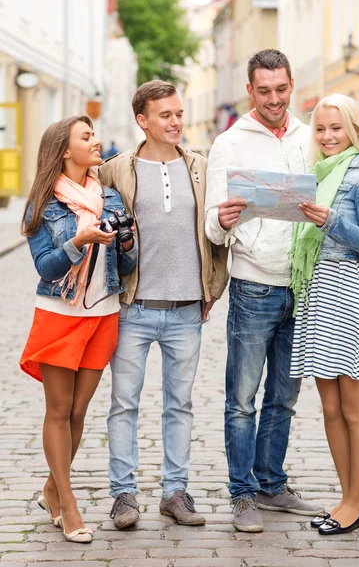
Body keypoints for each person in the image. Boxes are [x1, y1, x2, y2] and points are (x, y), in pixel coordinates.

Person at [98, 80, 228, 530]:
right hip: (133, 308)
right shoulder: (115, 170)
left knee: (180, 404)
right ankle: (123, 495)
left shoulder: (201, 168)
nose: (176, 122)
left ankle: (175, 491)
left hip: (187, 309)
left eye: (178, 113)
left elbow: (216, 230)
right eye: (166, 115)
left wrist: (212, 286)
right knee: (123, 404)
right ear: (143, 120)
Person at [205, 49, 324, 533]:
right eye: (264, 90)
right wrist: (224, 220)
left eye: (281, 89)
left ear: (291, 85)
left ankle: (272, 483)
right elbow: (212, 226)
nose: (274, 99)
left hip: (303, 283)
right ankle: (242, 493)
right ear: (249, 91)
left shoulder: (308, 137)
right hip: (254, 285)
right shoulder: (229, 144)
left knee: (285, 396)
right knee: (242, 398)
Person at [19, 116, 138, 543]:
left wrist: (126, 245)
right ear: (65, 151)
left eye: (94, 135)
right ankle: (68, 506)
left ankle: (52, 489)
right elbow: (47, 267)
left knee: (78, 412)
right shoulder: (42, 204)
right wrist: (80, 240)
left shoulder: (109, 197)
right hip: (59, 314)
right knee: (58, 410)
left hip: (102, 314)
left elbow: (126, 266)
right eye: (86, 137)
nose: (96, 141)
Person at [290, 94, 359, 535]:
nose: (328, 137)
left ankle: (353, 502)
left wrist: (331, 221)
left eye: (337, 128)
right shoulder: (315, 174)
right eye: (321, 129)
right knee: (330, 406)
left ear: (353, 129)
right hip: (318, 294)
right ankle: (348, 499)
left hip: (349, 294)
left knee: (354, 408)